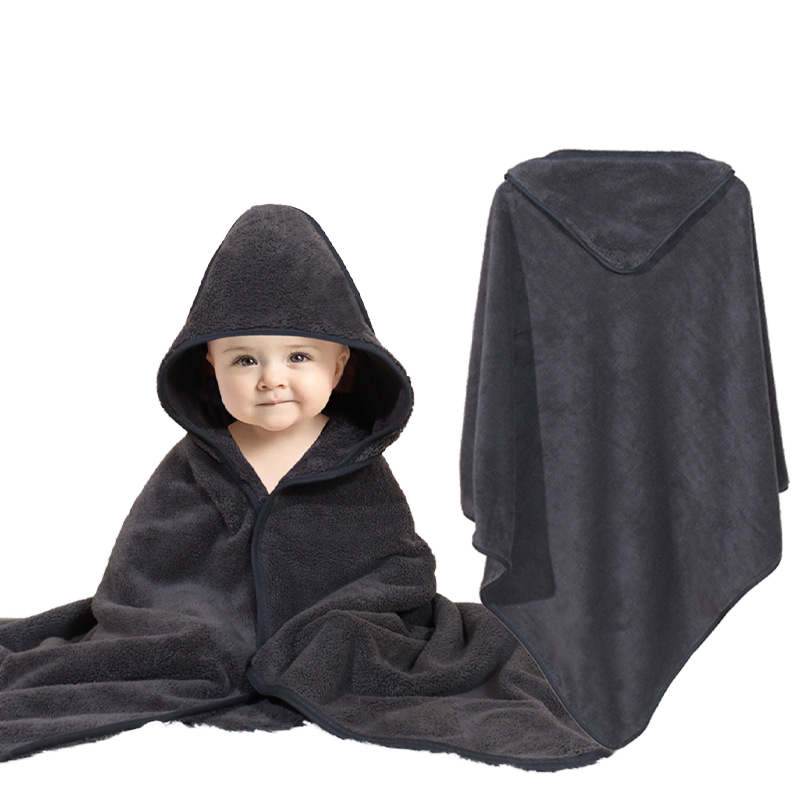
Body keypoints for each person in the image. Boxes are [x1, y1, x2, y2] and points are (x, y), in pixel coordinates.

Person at [0, 204, 609, 769]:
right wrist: (189, 633)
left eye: (298, 357)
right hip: (199, 645)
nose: (271, 379)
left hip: (333, 638)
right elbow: (145, 570)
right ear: (209, 366)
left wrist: (337, 634)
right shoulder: (194, 463)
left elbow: (395, 569)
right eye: (244, 360)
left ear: (340, 366)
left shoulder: (353, 461)